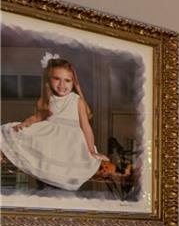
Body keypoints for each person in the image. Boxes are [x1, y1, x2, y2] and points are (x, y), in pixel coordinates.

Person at [0, 55, 104, 191]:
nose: (62, 85)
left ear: (74, 82)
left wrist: (91, 150)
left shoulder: (77, 100)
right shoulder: (46, 100)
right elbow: (37, 117)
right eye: (57, 79)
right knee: (7, 132)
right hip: (49, 139)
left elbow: (86, 127)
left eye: (67, 80)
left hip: (70, 143)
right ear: (49, 79)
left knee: (64, 171)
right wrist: (24, 124)